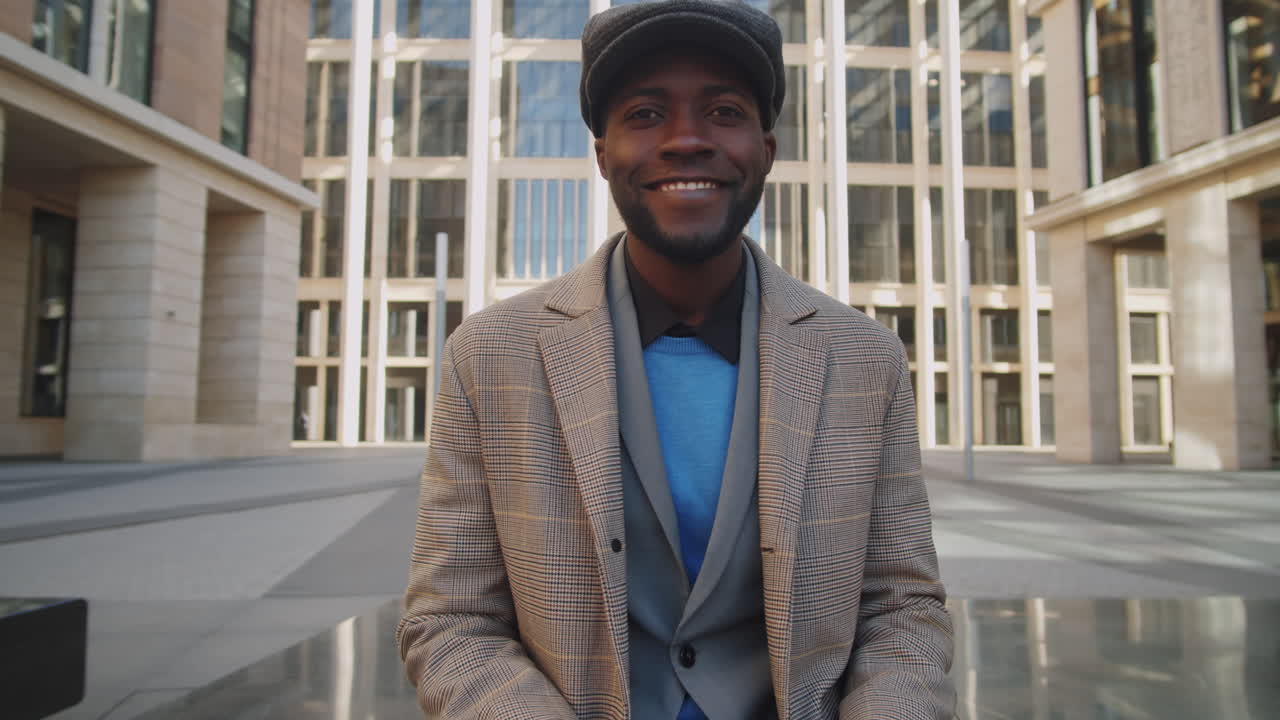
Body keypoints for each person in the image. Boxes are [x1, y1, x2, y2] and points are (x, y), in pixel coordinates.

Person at [396, 1, 955, 717]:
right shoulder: (492, 355)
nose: (687, 139)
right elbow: (450, 620)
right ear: (602, 154)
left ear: (767, 149)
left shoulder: (863, 359)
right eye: (646, 114)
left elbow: (901, 607)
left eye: (723, 111)